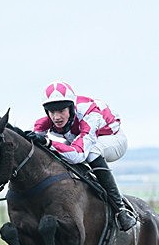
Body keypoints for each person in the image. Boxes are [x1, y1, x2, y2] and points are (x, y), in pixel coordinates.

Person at [25, 81, 137, 231]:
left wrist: (48, 142)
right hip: (83, 142)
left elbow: (79, 155)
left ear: (71, 107)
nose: (56, 117)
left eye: (61, 111)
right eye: (52, 112)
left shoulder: (90, 115)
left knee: (91, 152)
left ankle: (121, 210)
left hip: (113, 139)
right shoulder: (44, 122)